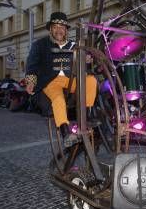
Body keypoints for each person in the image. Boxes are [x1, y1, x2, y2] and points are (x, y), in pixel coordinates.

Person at [24, 12, 98, 147]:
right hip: (51, 81)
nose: (59, 30)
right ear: (51, 28)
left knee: (91, 80)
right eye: (56, 27)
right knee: (58, 99)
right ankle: (65, 132)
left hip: (71, 79)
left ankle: (88, 116)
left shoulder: (74, 45)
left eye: (62, 27)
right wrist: (31, 81)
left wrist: (87, 59)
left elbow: (85, 62)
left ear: (66, 30)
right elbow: (32, 64)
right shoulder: (40, 45)